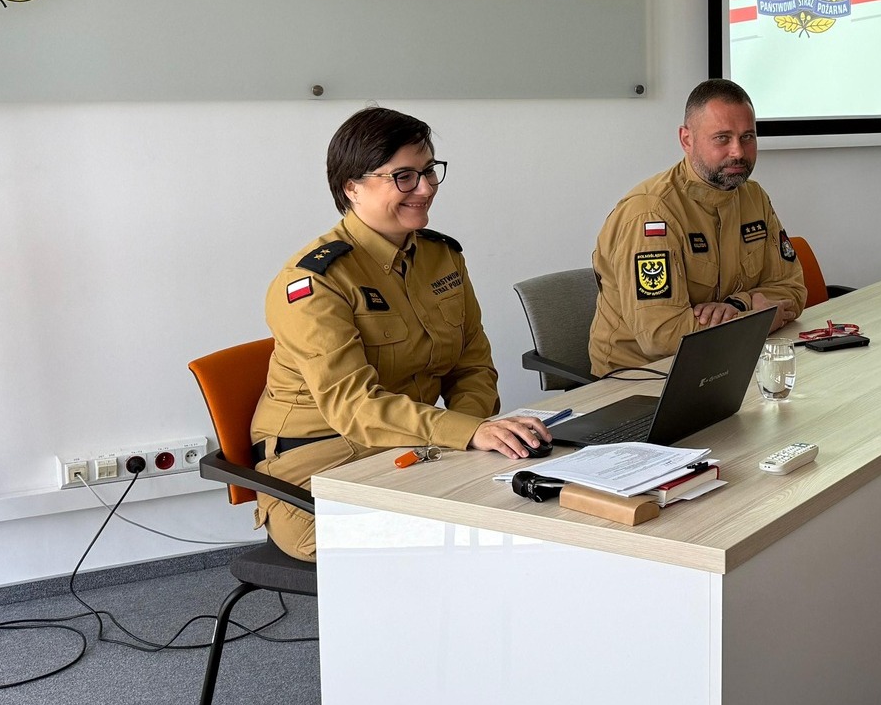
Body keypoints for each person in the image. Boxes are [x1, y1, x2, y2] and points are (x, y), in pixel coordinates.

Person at [251, 106, 549, 561]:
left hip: (414, 453)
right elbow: (356, 408)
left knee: (538, 510)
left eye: (428, 171)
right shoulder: (314, 283)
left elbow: (472, 367)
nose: (425, 188)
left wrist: (471, 438)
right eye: (403, 177)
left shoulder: (441, 256)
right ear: (352, 187)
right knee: (475, 544)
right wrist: (466, 434)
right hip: (318, 472)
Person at [588, 79, 807, 376]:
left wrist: (739, 305)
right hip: (641, 379)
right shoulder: (651, 215)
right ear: (686, 140)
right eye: (722, 138)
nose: (738, 152)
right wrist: (759, 318)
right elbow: (662, 335)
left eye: (747, 137)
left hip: (728, 361)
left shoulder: (753, 196)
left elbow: (792, 290)